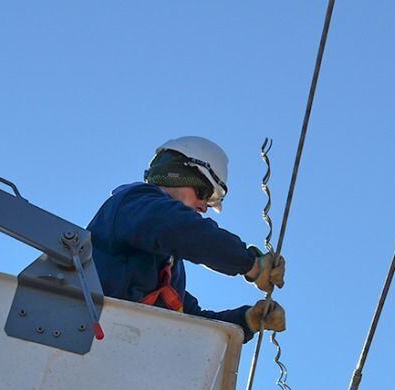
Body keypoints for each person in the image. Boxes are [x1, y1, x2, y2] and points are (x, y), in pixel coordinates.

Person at [86, 136, 286, 341]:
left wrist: (246, 321)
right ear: (177, 175)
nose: (204, 207)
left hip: (122, 350)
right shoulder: (133, 204)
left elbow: (192, 323)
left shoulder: (168, 267)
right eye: (203, 193)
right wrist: (251, 264)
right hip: (86, 336)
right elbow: (183, 229)